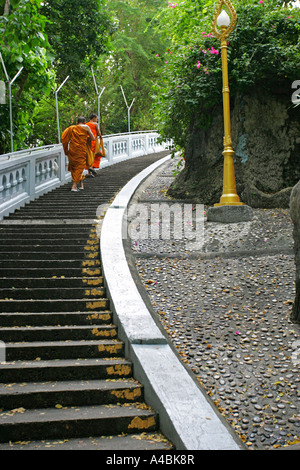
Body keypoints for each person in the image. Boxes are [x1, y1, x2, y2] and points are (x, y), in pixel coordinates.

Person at [62, 117, 95, 192]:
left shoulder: (72, 128)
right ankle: (74, 186)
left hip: (72, 150)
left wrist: (66, 150)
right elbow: (92, 138)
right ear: (84, 122)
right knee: (79, 167)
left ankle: (81, 185)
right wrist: (85, 138)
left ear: (77, 122)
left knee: (75, 168)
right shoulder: (86, 127)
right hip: (81, 150)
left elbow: (64, 138)